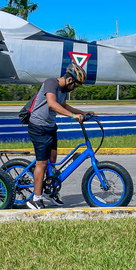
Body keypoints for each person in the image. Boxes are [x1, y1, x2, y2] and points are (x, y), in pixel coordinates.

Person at [27, 63, 94, 209]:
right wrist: (73, 116)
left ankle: (49, 191)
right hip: (38, 128)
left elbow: (63, 106)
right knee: (42, 163)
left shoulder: (63, 90)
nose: (75, 89)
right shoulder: (51, 83)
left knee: (52, 160)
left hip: (50, 127)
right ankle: (35, 198)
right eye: (76, 86)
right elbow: (51, 104)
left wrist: (83, 112)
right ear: (70, 80)